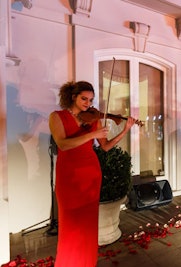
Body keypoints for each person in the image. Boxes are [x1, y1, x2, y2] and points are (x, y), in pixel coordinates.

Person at [48, 81, 136, 267]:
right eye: (84, 99)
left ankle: (86, 262)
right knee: (70, 223)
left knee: (87, 225)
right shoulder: (57, 116)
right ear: (73, 96)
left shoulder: (93, 118)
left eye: (90, 100)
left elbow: (105, 147)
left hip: (90, 174)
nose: (88, 104)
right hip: (69, 176)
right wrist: (90, 135)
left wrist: (125, 129)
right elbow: (63, 144)